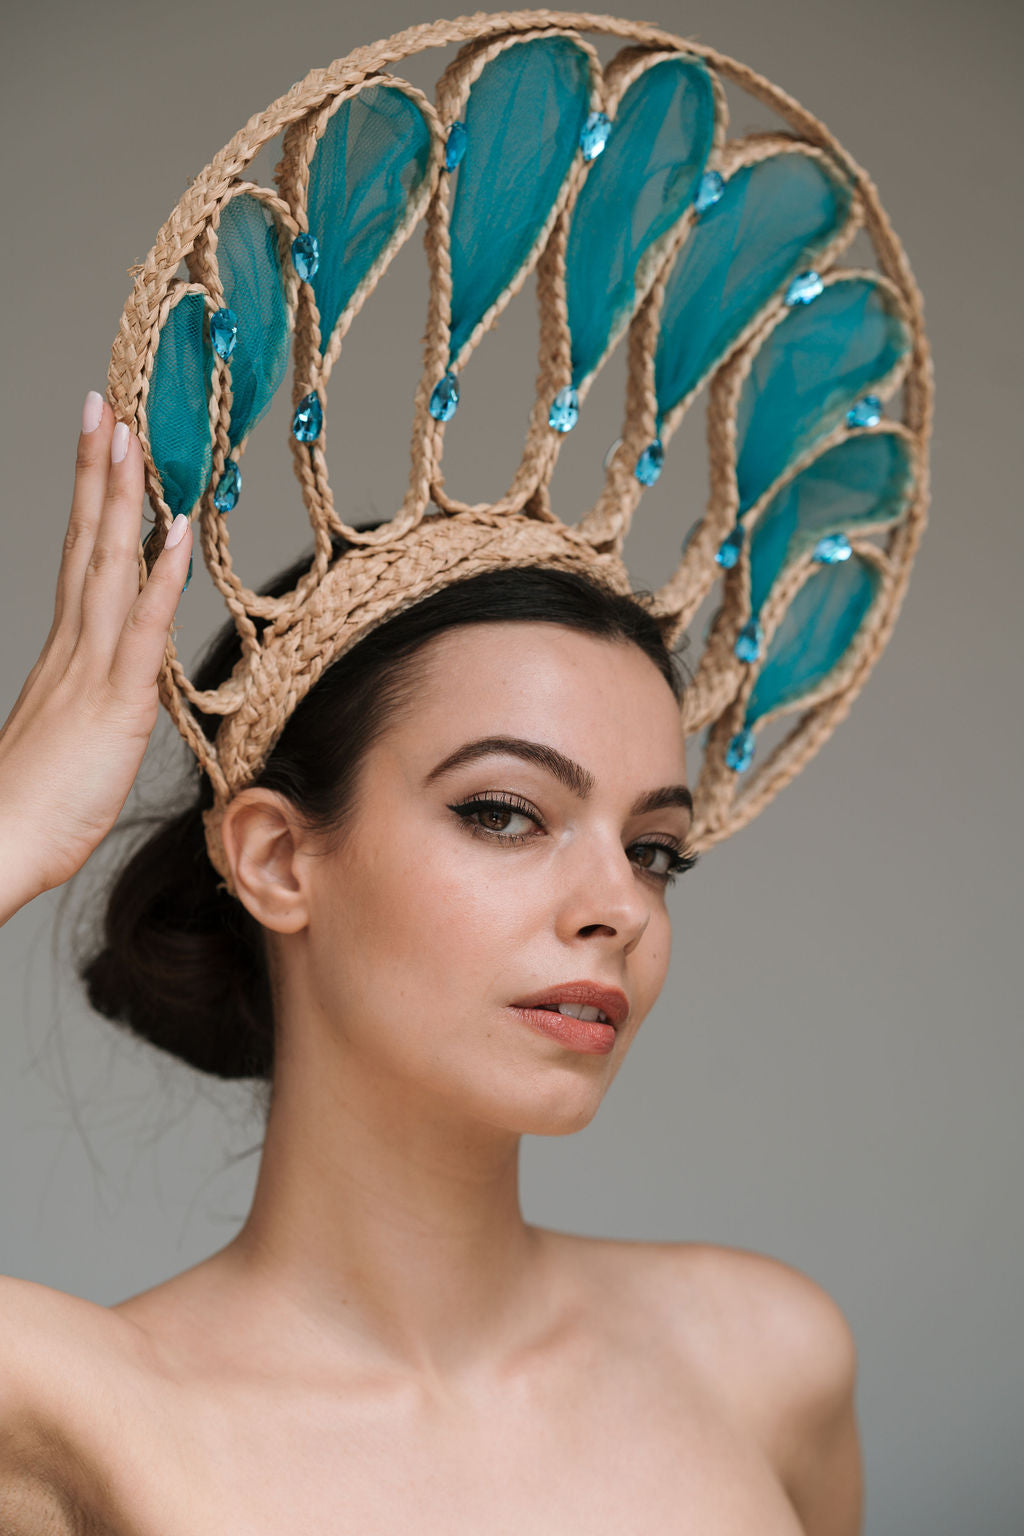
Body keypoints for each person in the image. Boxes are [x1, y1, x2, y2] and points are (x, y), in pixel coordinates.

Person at [0, 394, 861, 1533]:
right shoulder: (79, 1409)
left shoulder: (765, 1359)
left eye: (653, 850)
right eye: (505, 814)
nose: (618, 906)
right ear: (277, 859)